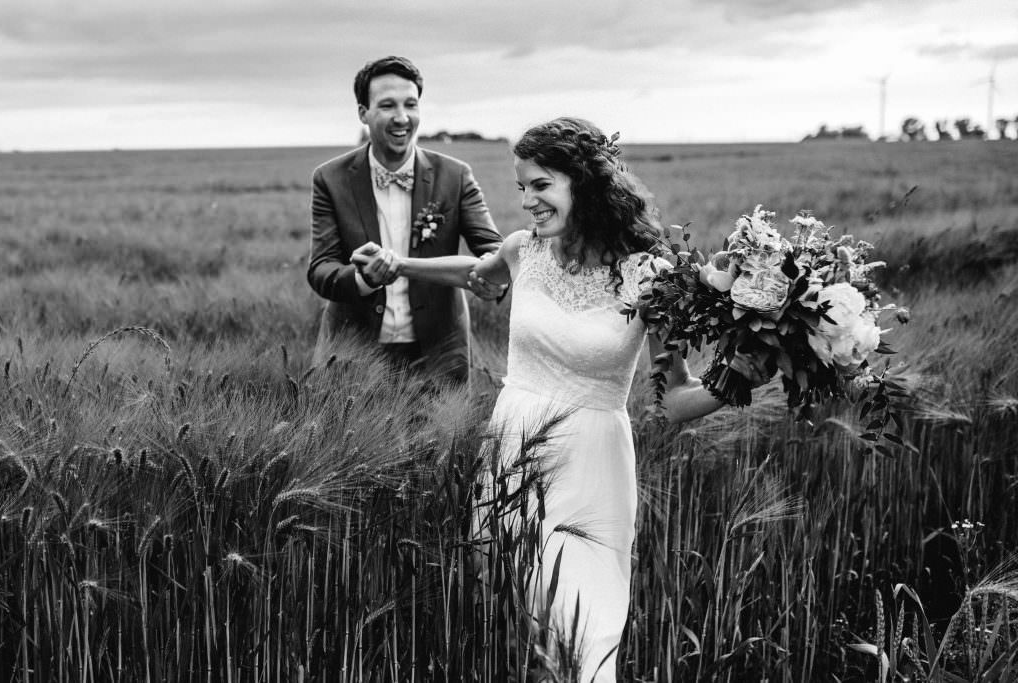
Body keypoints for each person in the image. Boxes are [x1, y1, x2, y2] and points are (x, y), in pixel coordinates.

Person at [352, 117, 769, 681]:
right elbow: (475, 274)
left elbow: (669, 402)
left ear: (585, 182)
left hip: (591, 466)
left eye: (540, 185)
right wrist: (398, 265)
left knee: (586, 633)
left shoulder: (650, 275)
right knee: (518, 624)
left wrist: (735, 378)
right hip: (512, 450)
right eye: (522, 186)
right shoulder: (525, 251)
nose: (526, 201)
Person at [306, 56, 503, 383]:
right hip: (352, 353)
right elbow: (321, 268)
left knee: (445, 436)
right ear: (363, 113)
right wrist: (363, 279)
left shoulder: (455, 175)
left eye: (410, 104)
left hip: (440, 350)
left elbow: (493, 250)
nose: (402, 118)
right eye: (387, 105)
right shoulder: (330, 178)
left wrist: (493, 277)